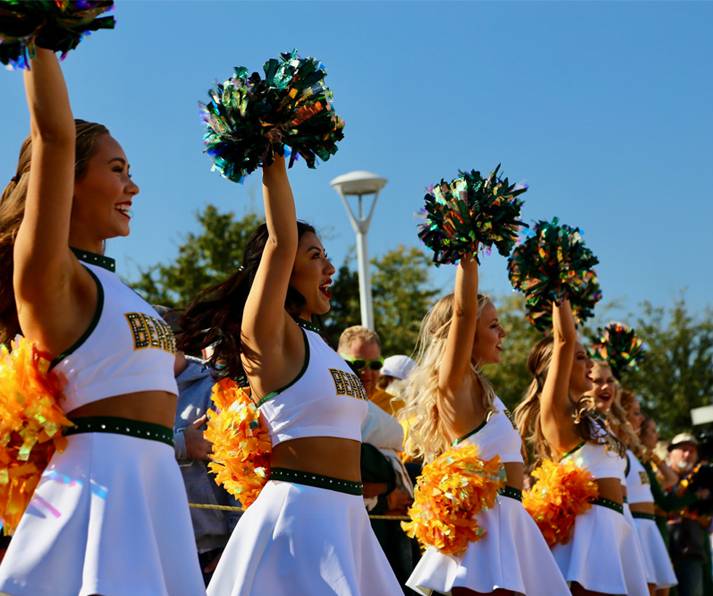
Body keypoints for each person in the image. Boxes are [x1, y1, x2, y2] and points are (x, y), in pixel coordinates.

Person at [0, 50, 204, 595]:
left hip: (155, 483)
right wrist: (42, 35)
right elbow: (54, 137)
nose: (132, 188)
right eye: (117, 171)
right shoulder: (52, 275)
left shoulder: (119, 287)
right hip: (98, 485)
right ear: (67, 180)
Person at [180, 155, 401, 595]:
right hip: (297, 522)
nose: (329, 268)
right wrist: (273, 155)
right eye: (315, 256)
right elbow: (281, 242)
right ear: (280, 269)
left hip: (350, 522)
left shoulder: (323, 347)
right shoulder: (267, 333)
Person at [403, 255, 569, 595]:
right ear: (463, 334)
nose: (503, 332)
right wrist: (469, 250)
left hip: (509, 516)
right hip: (483, 524)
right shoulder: (455, 381)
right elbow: (463, 311)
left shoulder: (486, 391)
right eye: (493, 325)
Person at [514, 300, 649, 595]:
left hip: (615, 523)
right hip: (590, 530)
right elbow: (564, 338)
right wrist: (561, 289)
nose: (589, 364)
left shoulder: (591, 417)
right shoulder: (555, 412)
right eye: (579, 358)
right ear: (555, 370)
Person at [154, 306, 241, 585]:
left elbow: (238, 472)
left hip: (208, 554)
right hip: (150, 550)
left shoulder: (215, 390)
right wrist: (180, 443)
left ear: (178, 342)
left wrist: (235, 548)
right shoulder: (130, 390)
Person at [338, 326, 415, 592]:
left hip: (388, 529)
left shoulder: (396, 408)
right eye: (357, 364)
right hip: (346, 522)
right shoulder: (332, 405)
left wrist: (392, 490)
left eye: (375, 364)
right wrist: (385, 494)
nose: (367, 373)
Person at [597, 379, 678, 594]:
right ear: (621, 413)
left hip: (646, 526)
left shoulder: (633, 455)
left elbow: (670, 481)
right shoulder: (617, 453)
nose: (640, 418)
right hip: (633, 524)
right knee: (645, 587)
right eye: (634, 412)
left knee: (659, 588)